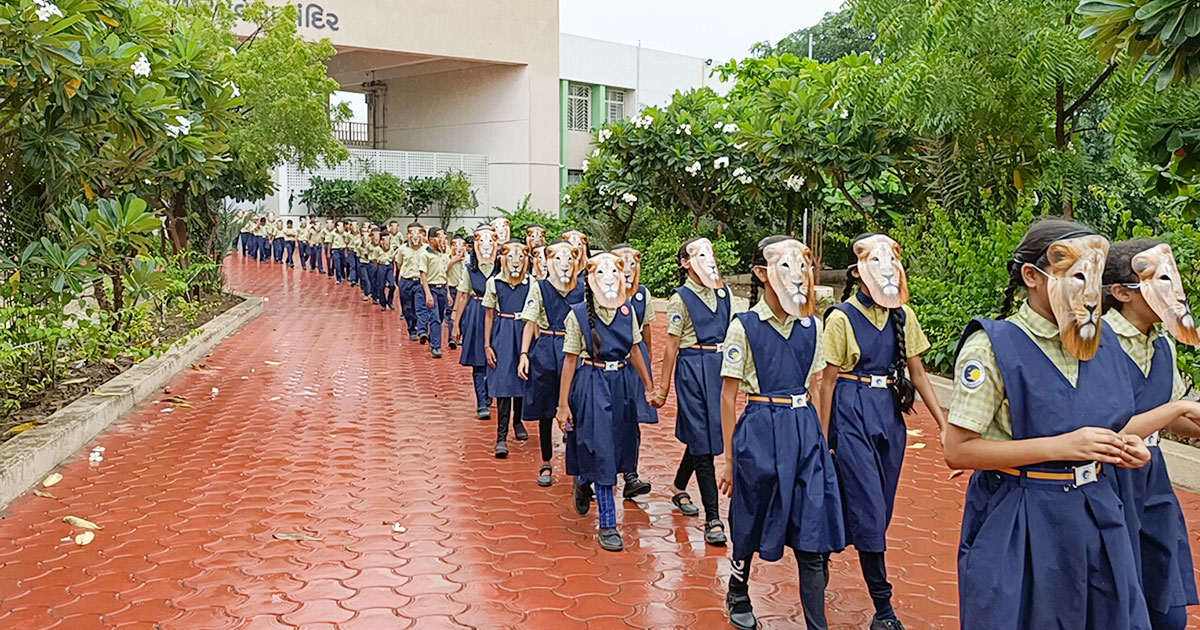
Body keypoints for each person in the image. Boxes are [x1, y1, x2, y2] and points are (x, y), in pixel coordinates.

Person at [942, 218, 1193, 630]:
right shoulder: (993, 345)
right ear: (1031, 276)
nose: (1090, 289)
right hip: (1021, 515)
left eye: (1095, 274)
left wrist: (1125, 447)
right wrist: (1060, 447)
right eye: (1078, 274)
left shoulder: (1104, 342)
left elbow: (1111, 425)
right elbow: (958, 450)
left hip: (1098, 512)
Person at [817, 233, 946, 630]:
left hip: (889, 415)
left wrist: (945, 426)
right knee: (870, 507)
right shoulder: (841, 317)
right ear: (857, 272)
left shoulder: (903, 315)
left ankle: (819, 552)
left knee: (879, 505)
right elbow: (827, 381)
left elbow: (919, 372)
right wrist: (821, 440)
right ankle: (884, 607)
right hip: (852, 411)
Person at [716, 236, 844, 630]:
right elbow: (728, 395)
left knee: (813, 530)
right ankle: (738, 586)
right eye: (785, 265)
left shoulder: (813, 326)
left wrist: (821, 442)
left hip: (804, 432)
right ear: (761, 273)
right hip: (760, 428)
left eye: (802, 265)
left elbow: (820, 384)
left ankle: (816, 623)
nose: (797, 273)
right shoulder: (745, 326)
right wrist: (729, 459)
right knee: (751, 514)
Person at [1104, 239, 1200, 630]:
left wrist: (1188, 419)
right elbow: (1107, 431)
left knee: (1168, 609)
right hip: (1106, 480)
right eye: (1161, 279)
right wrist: (1179, 409)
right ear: (1122, 292)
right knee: (1117, 602)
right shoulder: (1094, 342)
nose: (1175, 291)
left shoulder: (1163, 345)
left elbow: (1168, 412)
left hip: (1153, 480)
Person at [556, 252, 656, 552]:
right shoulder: (577, 314)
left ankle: (584, 481)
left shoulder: (627, 312)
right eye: (603, 272)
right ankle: (609, 524)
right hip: (592, 382)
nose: (611, 277)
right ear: (591, 278)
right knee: (600, 446)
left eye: (616, 271)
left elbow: (636, 349)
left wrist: (649, 387)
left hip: (622, 383)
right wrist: (563, 405)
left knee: (622, 442)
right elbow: (570, 361)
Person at [653, 237, 730, 546]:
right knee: (703, 443)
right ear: (685, 263)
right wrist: (663, 388)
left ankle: (677, 486)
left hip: (718, 367)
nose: (707, 257)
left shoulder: (723, 293)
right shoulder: (681, 298)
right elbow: (671, 344)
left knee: (708, 435)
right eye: (698, 253)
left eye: (709, 251)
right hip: (692, 368)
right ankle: (714, 518)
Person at [518, 240, 586, 486]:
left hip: (576, 351)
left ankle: (577, 465)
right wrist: (524, 354)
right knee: (546, 409)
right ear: (548, 261)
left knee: (577, 407)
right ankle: (546, 461)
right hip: (547, 348)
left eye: (569, 258)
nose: (564, 263)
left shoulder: (583, 287)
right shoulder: (540, 287)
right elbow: (530, 321)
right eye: (558, 258)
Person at [612, 244, 655, 500]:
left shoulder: (643, 295)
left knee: (631, 421)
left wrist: (647, 372)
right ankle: (594, 475)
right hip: (609, 365)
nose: (628, 269)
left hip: (634, 366)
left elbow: (646, 334)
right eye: (622, 263)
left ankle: (631, 474)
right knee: (606, 421)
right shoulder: (598, 292)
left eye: (633, 263)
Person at [484, 241, 532, 458]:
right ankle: (501, 436)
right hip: (503, 331)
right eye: (511, 257)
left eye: (520, 257)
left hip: (525, 329)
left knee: (522, 377)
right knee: (504, 382)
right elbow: (489, 314)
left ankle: (518, 421)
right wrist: (487, 344)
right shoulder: (494, 283)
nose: (515, 262)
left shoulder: (532, 283)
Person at [453, 226, 499, 419]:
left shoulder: (502, 265)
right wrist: (456, 322)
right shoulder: (469, 268)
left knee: (496, 357)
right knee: (478, 360)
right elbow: (463, 295)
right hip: (476, 312)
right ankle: (481, 402)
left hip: (498, 314)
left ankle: (489, 390)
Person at [419, 227, 456, 359]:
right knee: (434, 316)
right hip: (431, 288)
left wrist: (447, 293)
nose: (442, 239)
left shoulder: (443, 255)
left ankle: (432, 335)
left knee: (439, 317)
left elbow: (445, 275)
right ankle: (436, 346)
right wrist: (428, 294)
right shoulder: (425, 255)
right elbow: (423, 275)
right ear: (431, 239)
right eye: (439, 236)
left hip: (442, 289)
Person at [398, 223, 425, 340]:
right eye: (412, 233)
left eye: (418, 232)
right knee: (407, 307)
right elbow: (399, 264)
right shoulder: (402, 249)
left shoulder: (426, 249)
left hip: (420, 281)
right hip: (406, 280)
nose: (415, 236)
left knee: (420, 306)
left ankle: (422, 330)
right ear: (407, 235)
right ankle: (411, 327)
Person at [446, 236, 468, 350]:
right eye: (456, 246)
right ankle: (452, 338)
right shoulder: (447, 258)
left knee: (464, 314)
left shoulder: (468, 260)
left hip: (464, 291)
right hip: (452, 288)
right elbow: (443, 272)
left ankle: (462, 336)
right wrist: (452, 261)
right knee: (451, 314)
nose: (459, 249)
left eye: (462, 246)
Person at [374, 234, 396, 310]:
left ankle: (390, 301)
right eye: (383, 240)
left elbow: (393, 258)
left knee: (392, 285)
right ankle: (383, 303)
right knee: (381, 286)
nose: (385, 242)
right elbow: (375, 260)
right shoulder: (377, 249)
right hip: (381, 266)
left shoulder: (391, 248)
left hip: (389, 266)